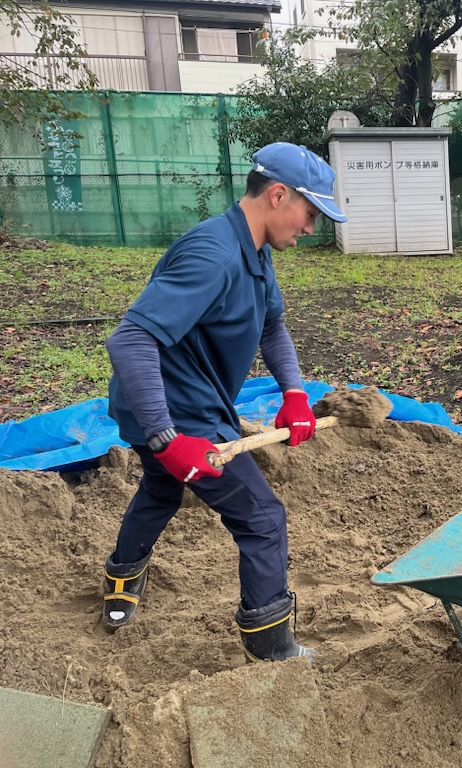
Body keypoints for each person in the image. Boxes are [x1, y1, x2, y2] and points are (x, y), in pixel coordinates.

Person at [100, 142, 347, 663]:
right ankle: (269, 646)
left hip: (187, 404)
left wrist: (295, 393)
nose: (310, 228)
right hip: (174, 414)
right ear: (278, 195)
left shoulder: (254, 249)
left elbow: (272, 325)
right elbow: (131, 339)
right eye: (310, 214)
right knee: (262, 519)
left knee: (161, 490)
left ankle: (121, 578)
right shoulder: (212, 256)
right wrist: (168, 439)